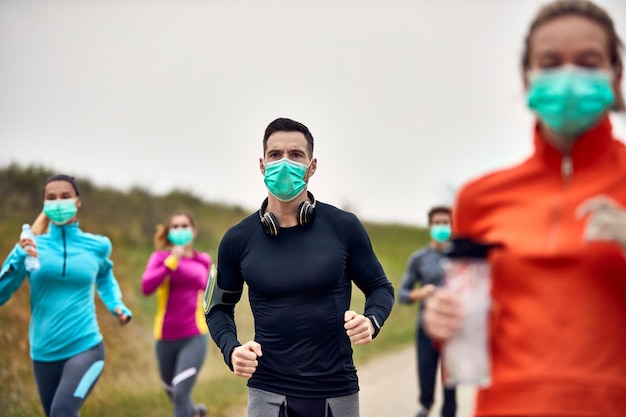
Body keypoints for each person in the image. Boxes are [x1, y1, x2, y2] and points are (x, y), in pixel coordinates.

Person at [422, 1, 626, 416]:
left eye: (588, 62)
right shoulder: (479, 197)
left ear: (616, 74)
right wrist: (442, 323)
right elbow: (467, 332)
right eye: (550, 63)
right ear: (527, 76)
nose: (568, 77)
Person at [205, 117, 395, 417]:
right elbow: (216, 308)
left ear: (312, 165)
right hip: (267, 389)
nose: (284, 163)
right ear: (262, 164)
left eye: (295, 155)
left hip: (337, 389)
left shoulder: (344, 227)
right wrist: (232, 349)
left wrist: (372, 320)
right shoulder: (237, 239)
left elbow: (380, 288)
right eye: (275, 154)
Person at [0, 174, 132, 417]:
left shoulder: (97, 245)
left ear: (77, 201)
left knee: (61, 412)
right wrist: (18, 256)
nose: (58, 203)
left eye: (65, 197)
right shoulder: (30, 246)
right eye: (51, 198)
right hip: (43, 350)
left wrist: (116, 304)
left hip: (86, 346)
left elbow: (105, 275)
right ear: (44, 203)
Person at [141, 209, 210, 417]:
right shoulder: (160, 257)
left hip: (194, 335)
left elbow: (209, 292)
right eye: (176, 226)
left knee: (181, 392)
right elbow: (146, 287)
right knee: (173, 393)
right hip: (165, 336)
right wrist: (172, 261)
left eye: (184, 226)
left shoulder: (203, 260)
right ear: (170, 232)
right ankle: (196, 413)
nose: (180, 230)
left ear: (194, 231)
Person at [398, 206, 456, 417]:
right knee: (426, 380)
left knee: (451, 386)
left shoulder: (459, 256)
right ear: (430, 226)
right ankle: (425, 405)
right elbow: (402, 294)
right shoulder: (419, 258)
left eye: (446, 222)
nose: (442, 226)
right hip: (426, 328)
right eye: (438, 222)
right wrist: (421, 293)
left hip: (453, 329)